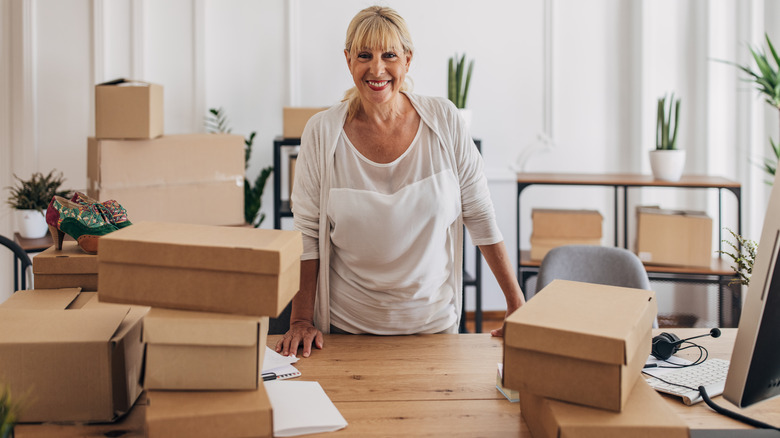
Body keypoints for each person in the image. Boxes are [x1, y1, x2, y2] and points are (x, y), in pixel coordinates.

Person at [275, 5, 524, 357]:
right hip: (345, 332)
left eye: (389, 55)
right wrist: (300, 320)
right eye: (364, 55)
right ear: (348, 61)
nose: (377, 69)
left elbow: (480, 215)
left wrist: (515, 301)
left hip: (434, 330)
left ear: (407, 60)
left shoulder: (445, 120)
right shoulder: (321, 132)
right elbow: (307, 235)